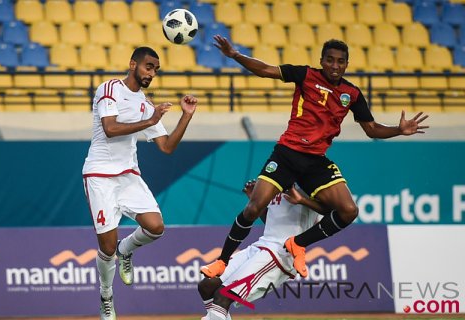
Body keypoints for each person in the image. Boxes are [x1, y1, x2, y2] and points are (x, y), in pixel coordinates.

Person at [201, 36, 429, 279]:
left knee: (348, 211)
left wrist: (399, 130)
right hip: (287, 153)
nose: (334, 65)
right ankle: (223, 261)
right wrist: (235, 54)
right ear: (321, 61)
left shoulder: (351, 93)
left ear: (347, 64)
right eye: (329, 60)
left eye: (340, 61)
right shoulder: (305, 75)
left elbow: (371, 129)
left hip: (316, 161)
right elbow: (267, 70)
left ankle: (297, 243)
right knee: (254, 207)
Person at [82, 46, 197, 320]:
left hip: (128, 175)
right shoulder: (109, 89)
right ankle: (106, 296)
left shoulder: (146, 104)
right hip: (99, 175)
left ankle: (127, 249)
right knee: (106, 248)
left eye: (155, 69)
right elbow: (110, 129)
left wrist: (186, 116)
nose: (151, 73)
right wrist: (150, 120)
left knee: (156, 227)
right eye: (148, 66)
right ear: (133, 64)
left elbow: (167, 146)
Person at [198, 180, 329, 320]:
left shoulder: (310, 181)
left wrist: (302, 200)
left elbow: (334, 211)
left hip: (281, 252)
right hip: (262, 245)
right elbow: (272, 222)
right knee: (206, 286)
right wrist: (256, 201)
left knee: (223, 295)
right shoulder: (279, 179)